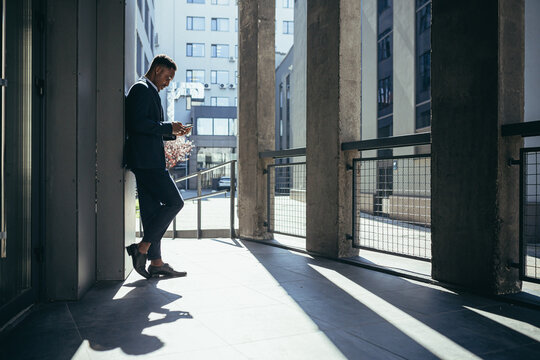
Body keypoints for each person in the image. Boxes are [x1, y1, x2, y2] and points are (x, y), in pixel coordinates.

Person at [124, 54, 191, 279]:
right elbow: (137, 124)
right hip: (147, 162)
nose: (168, 83)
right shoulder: (141, 89)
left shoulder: (148, 90)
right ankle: (141, 248)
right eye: (168, 77)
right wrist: (167, 126)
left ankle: (156, 262)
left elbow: (150, 128)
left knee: (152, 214)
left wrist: (173, 132)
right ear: (158, 70)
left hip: (147, 160)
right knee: (175, 202)